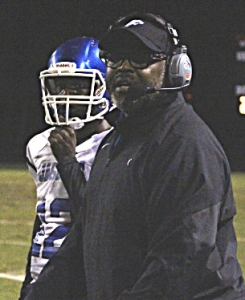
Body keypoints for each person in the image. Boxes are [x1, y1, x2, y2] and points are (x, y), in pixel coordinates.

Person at [24, 12, 245, 300]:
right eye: (116, 58)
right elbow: (80, 246)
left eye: (141, 57)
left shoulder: (186, 145)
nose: (125, 67)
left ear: (175, 68)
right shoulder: (115, 143)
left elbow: (177, 263)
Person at [19, 36, 113, 299]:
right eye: (59, 86)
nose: (65, 96)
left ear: (102, 88)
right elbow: (42, 221)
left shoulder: (117, 147)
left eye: (77, 86)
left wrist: (67, 161)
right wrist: (29, 281)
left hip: (83, 283)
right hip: (42, 277)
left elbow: (101, 221)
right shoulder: (38, 145)